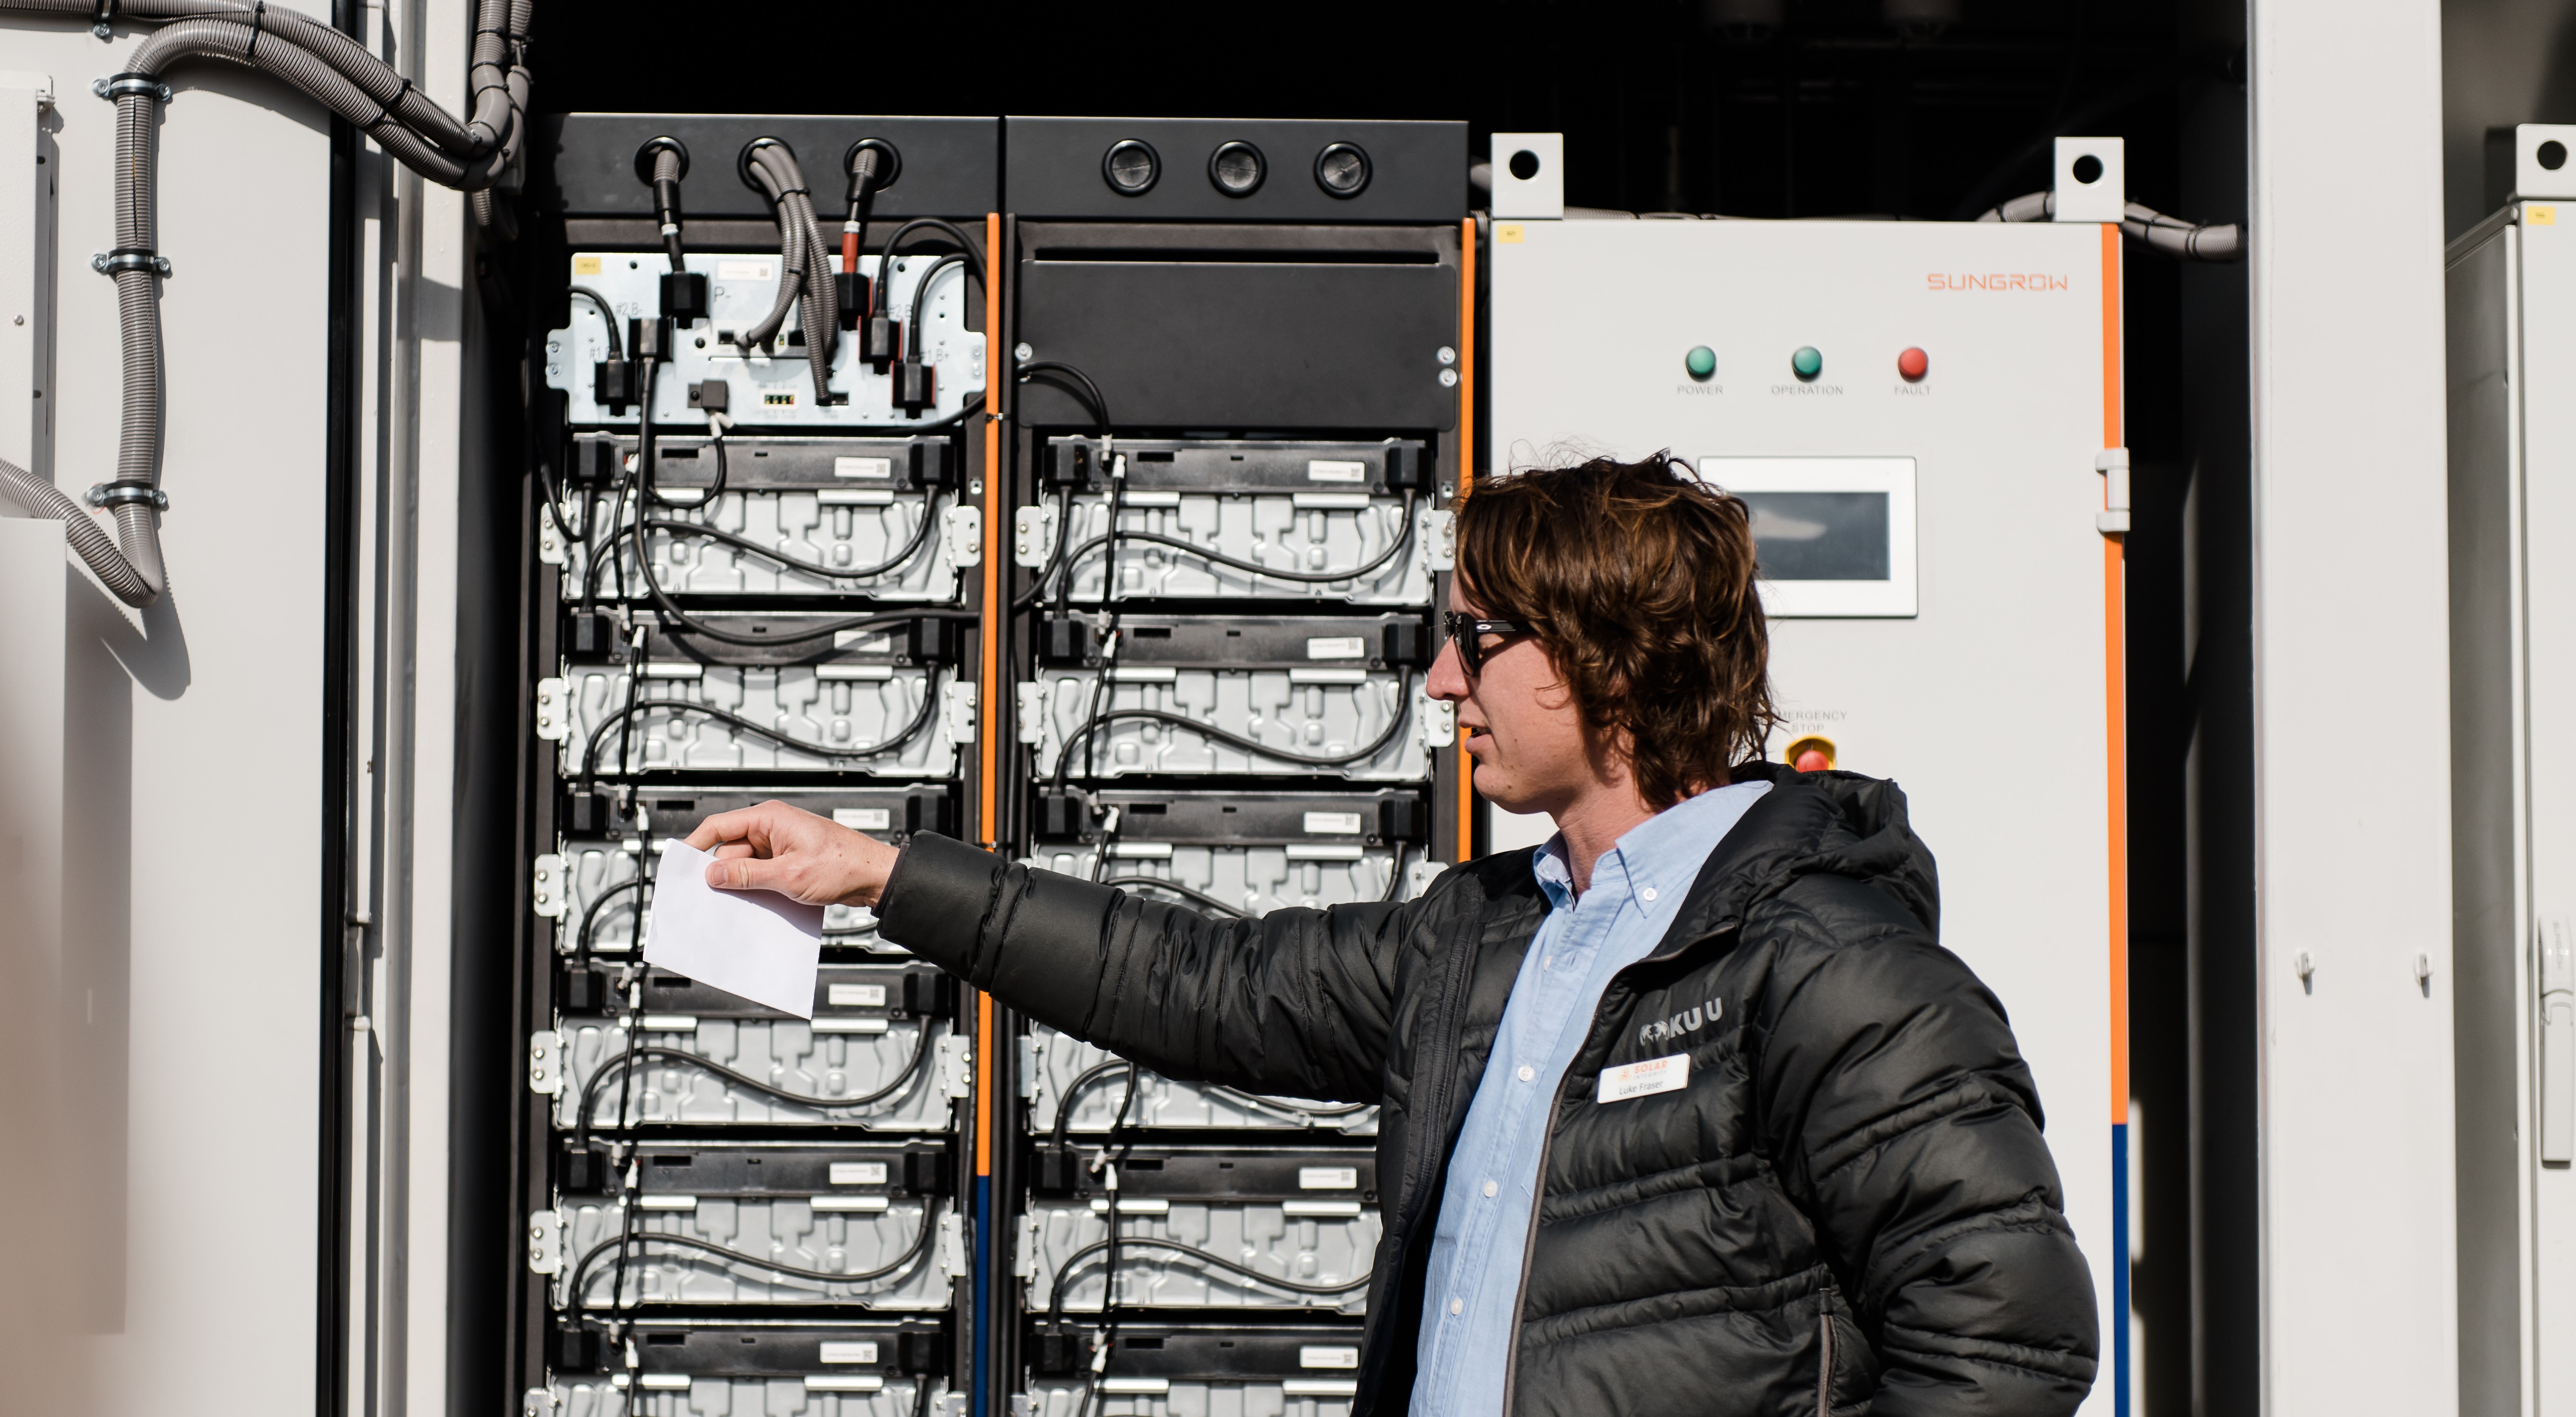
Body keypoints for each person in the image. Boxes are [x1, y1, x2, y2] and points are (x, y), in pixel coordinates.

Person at [684, 453, 2099, 1417]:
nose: (1438, 681)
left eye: (1474, 641)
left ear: (1597, 657)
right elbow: (1198, 983)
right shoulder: (1481, 940)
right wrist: (878, 873)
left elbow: (2007, 1334)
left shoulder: (1833, 967)